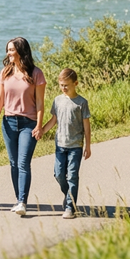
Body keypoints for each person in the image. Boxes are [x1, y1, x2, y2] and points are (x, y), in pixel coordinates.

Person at [0, 37, 46, 216]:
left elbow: (40, 103)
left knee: (23, 163)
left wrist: (39, 125)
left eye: (11, 50)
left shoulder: (36, 73)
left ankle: (22, 201)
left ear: (21, 51)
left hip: (28, 124)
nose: (8, 53)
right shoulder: (5, 72)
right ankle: (18, 199)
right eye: (8, 50)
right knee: (13, 163)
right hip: (9, 122)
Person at [41, 68, 92, 219]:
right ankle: (69, 195)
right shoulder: (57, 100)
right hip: (60, 145)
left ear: (75, 83)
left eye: (66, 85)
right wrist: (41, 131)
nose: (63, 88)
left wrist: (88, 146)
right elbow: (53, 120)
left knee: (72, 176)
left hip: (75, 146)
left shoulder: (81, 103)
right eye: (61, 85)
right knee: (58, 174)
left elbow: (87, 127)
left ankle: (70, 206)